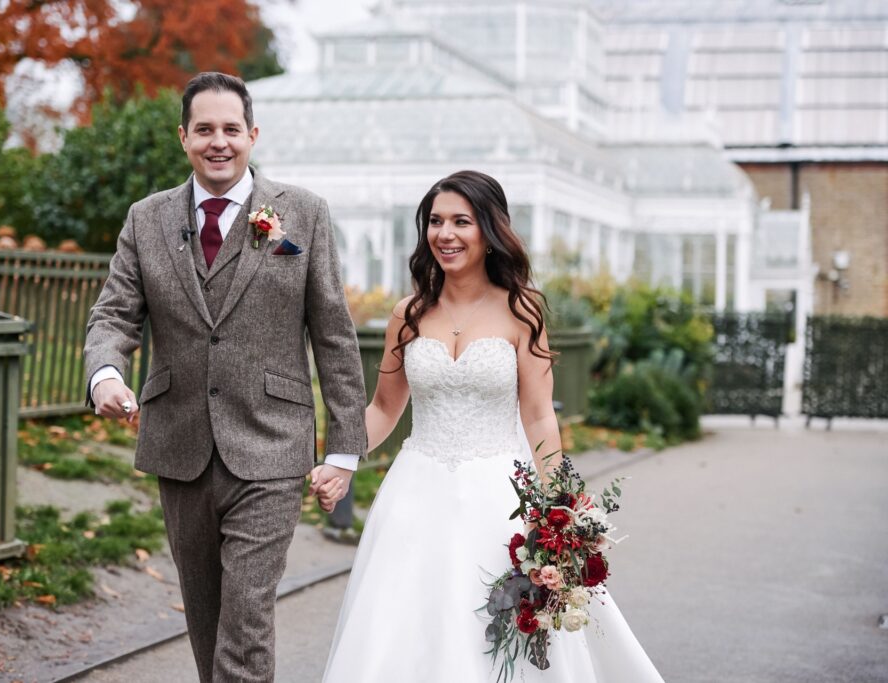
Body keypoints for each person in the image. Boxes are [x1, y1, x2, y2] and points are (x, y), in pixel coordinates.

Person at [323, 171, 663, 682]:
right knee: (402, 627)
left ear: (489, 231)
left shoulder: (521, 311)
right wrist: (339, 460)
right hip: (414, 496)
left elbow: (539, 414)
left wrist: (556, 509)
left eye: (462, 221)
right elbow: (383, 409)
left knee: (497, 631)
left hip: (499, 498)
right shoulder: (408, 313)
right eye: (436, 222)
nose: (446, 234)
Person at [84, 72, 367, 683]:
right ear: (183, 137)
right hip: (179, 444)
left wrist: (344, 451)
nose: (219, 142)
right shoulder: (146, 219)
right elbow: (114, 313)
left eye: (231, 129)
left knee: (245, 623)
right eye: (204, 129)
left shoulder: (303, 215)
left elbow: (335, 335)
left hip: (272, 446)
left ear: (253, 135)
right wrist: (106, 373)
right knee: (207, 621)